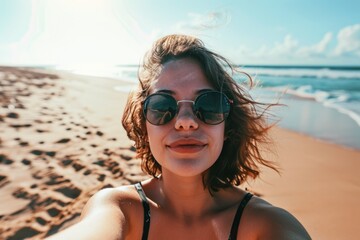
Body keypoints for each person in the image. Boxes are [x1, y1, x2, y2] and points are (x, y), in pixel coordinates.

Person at [48, 34, 311, 239]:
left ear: (227, 125)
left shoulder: (267, 224)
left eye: (208, 105)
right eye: (163, 106)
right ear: (144, 124)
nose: (185, 122)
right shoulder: (119, 209)